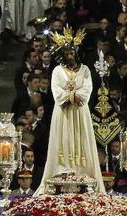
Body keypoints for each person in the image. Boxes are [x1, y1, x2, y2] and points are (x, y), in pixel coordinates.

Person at [36, 27, 105, 194]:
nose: (70, 56)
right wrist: (72, 96)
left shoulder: (85, 70)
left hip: (81, 112)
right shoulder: (57, 71)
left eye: (72, 53)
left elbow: (87, 90)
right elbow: (56, 91)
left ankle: (82, 170)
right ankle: (63, 168)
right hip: (64, 112)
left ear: (77, 53)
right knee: (64, 138)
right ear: (63, 55)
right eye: (67, 54)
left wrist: (72, 95)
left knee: (81, 138)